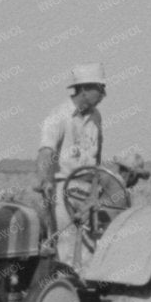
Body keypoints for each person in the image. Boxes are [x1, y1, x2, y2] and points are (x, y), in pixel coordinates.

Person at [37, 64, 107, 237]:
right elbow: (46, 152)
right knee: (66, 244)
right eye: (100, 89)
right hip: (63, 189)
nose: (103, 95)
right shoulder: (58, 116)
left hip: (88, 190)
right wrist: (45, 181)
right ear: (84, 89)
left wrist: (95, 189)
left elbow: (97, 157)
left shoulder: (96, 117)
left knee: (90, 246)